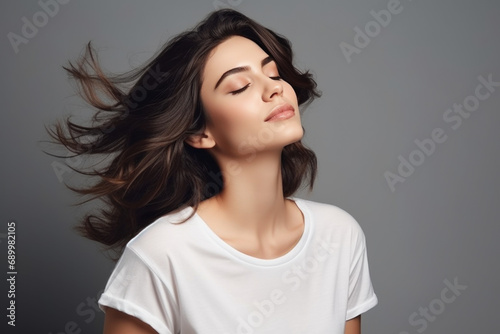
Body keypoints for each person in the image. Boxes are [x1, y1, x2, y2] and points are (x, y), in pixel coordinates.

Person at [48, 8, 377, 334]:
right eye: (239, 86)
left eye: (274, 74)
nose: (274, 88)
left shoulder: (338, 235)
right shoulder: (161, 256)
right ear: (199, 133)